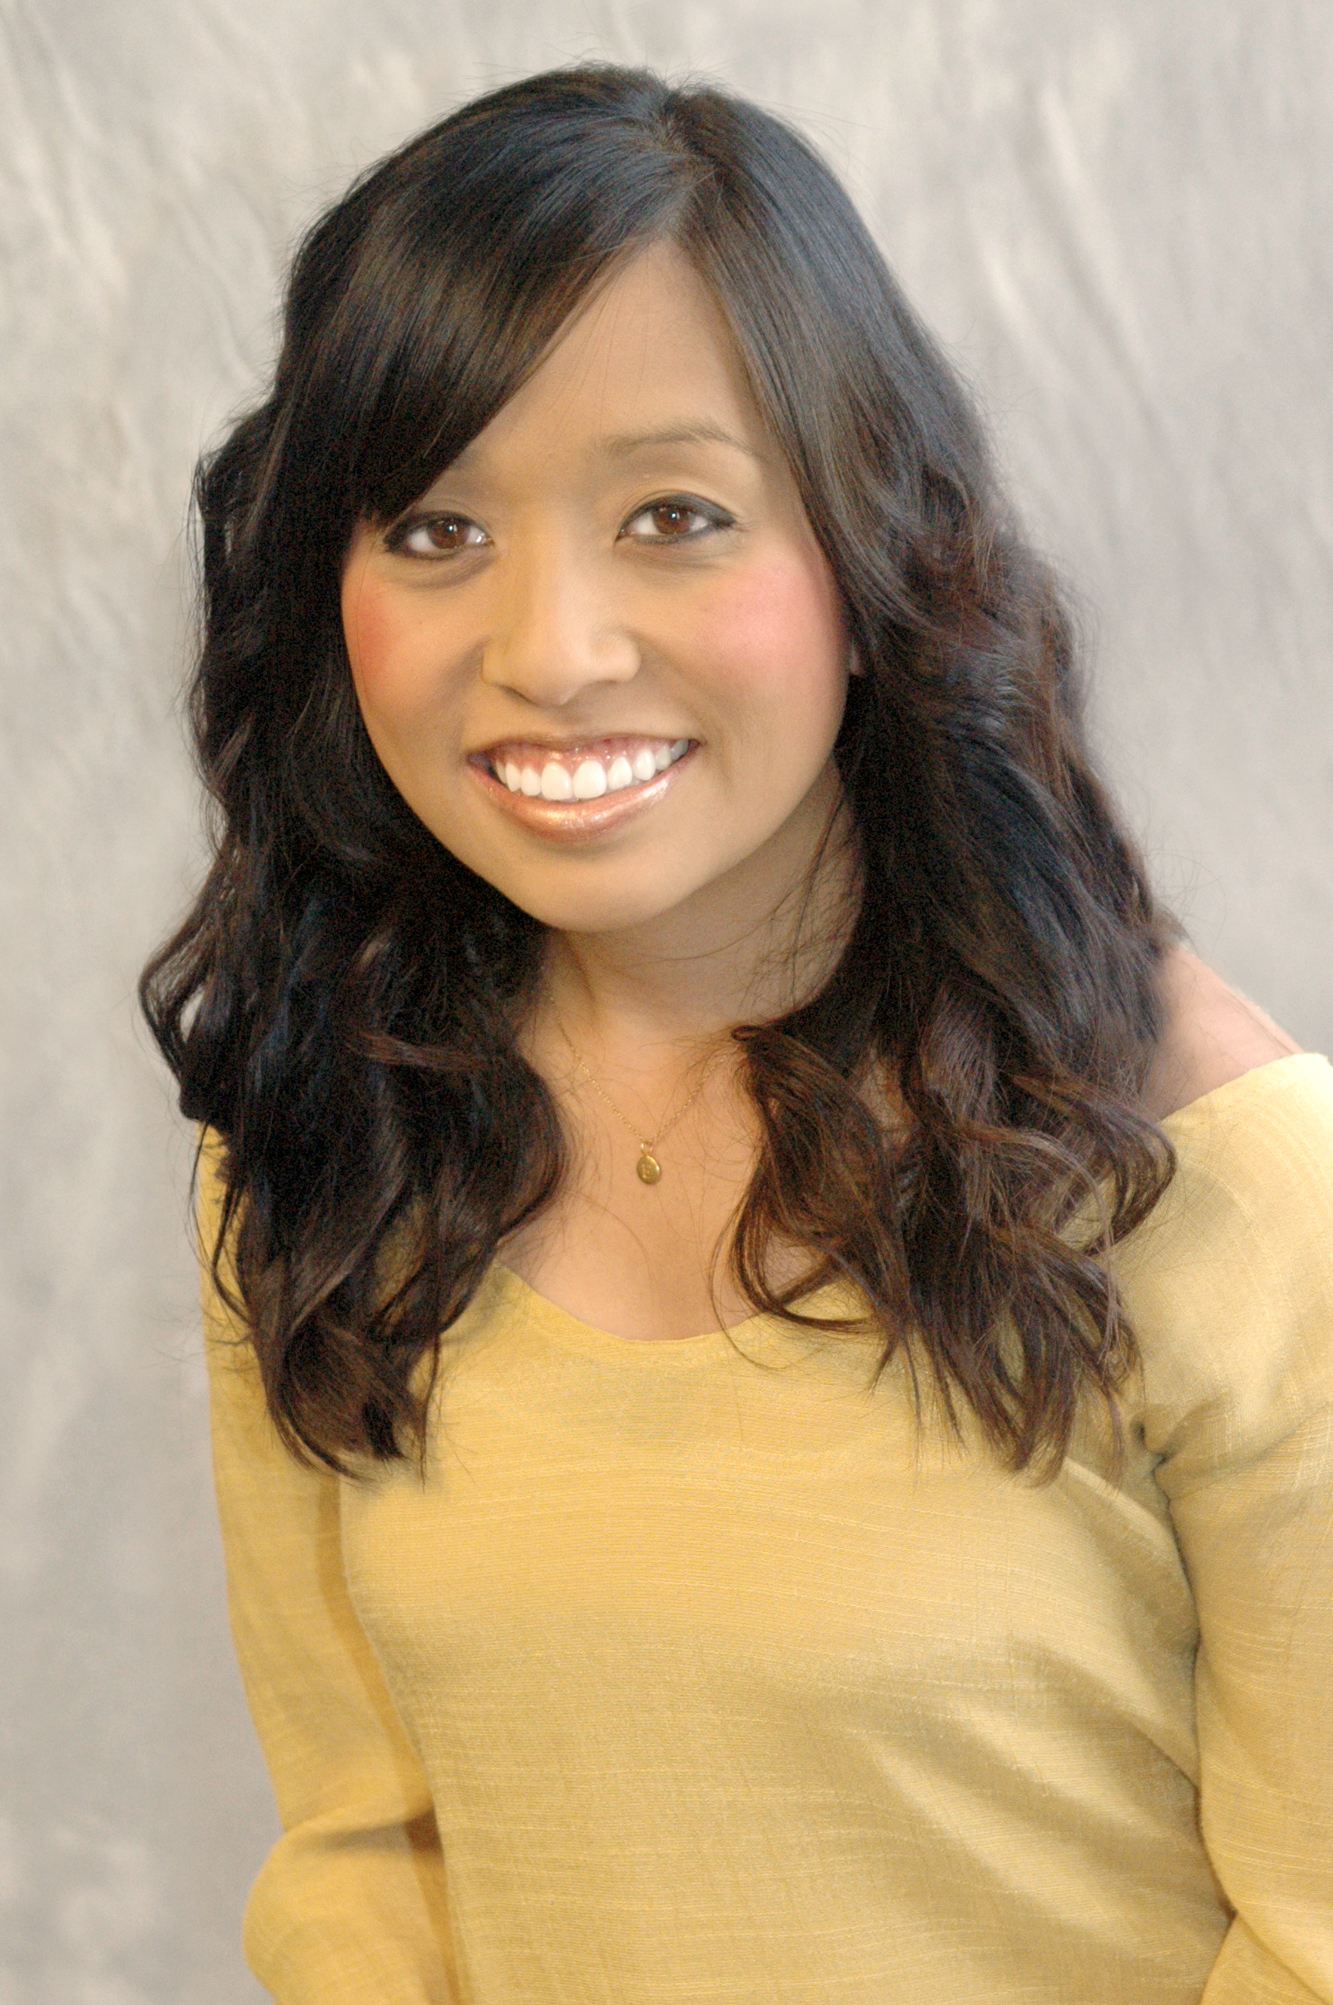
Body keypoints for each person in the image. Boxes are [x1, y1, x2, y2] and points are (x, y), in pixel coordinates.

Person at [140, 63, 1332, 2005]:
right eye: (434, 529)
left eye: (674, 514)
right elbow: (364, 1859)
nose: (549, 649)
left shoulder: (1222, 1177)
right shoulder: (322, 1135)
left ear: (873, 558)